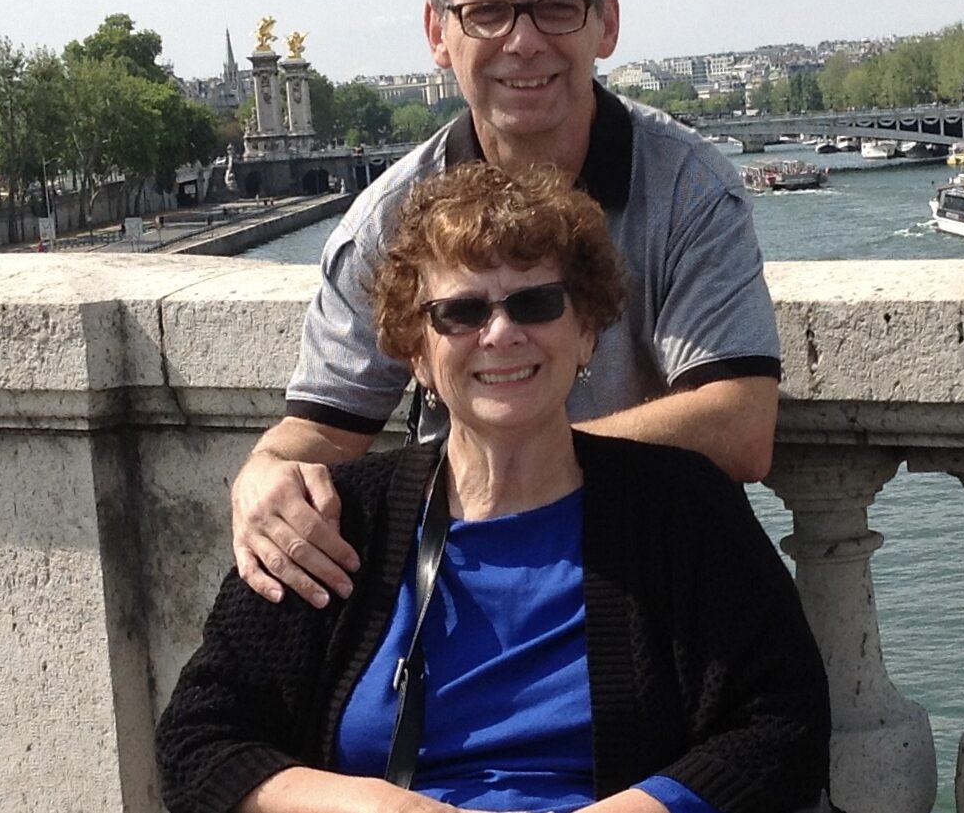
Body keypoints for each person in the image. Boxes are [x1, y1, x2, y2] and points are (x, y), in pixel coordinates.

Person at [159, 164, 830, 813]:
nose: (501, 333)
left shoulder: (680, 508)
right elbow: (198, 742)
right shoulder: (341, 520)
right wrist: (381, 806)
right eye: (460, 311)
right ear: (416, 352)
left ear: (586, 331)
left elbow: (781, 722)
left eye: (535, 302)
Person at [233, 0, 782, 609]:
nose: (523, 41)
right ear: (439, 33)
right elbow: (318, 431)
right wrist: (263, 472)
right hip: (465, 586)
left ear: (605, 22)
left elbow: (739, 424)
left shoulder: (689, 189)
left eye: (557, 5)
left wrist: (514, 463)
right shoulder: (384, 218)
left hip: (646, 576)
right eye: (487, 10)